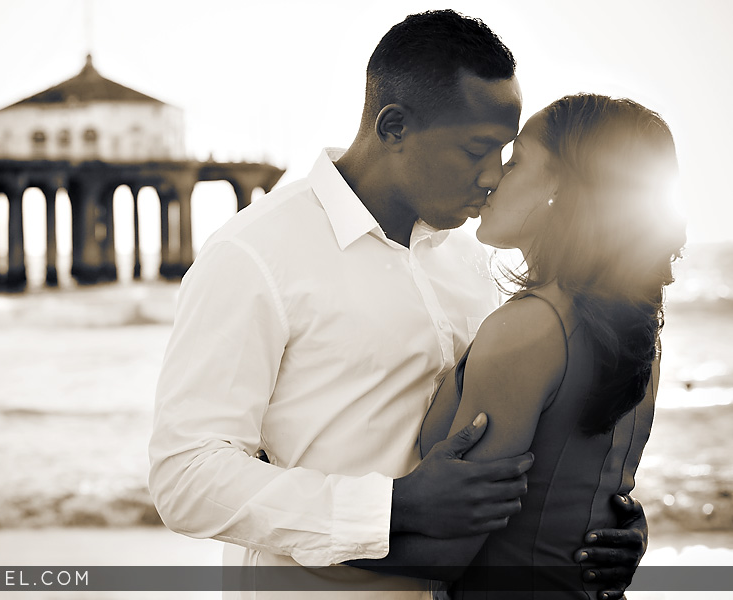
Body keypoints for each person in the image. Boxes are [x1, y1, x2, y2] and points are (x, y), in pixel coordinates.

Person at [149, 10, 646, 598]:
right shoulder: (255, 253)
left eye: (506, 153)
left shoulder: (468, 261)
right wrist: (388, 506)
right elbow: (185, 476)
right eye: (476, 149)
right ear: (393, 127)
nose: (494, 176)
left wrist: (595, 523)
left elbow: (520, 434)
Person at [411, 94, 685, 598]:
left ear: (563, 187)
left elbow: (447, 550)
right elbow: (585, 487)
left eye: (515, 163)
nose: (492, 177)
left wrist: (299, 534)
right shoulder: (636, 325)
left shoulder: (528, 328)